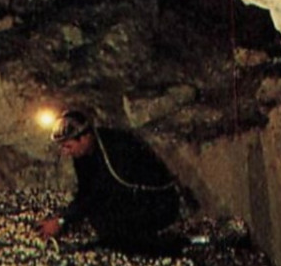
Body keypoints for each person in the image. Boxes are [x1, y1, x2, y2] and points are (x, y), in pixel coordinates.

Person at [36, 109, 183, 255]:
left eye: (68, 146)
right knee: (99, 219)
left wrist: (63, 220)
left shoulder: (115, 147)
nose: (65, 152)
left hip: (159, 203)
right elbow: (85, 190)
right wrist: (63, 218)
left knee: (113, 229)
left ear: (85, 138)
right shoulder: (85, 152)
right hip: (126, 197)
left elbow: (101, 192)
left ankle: (172, 246)